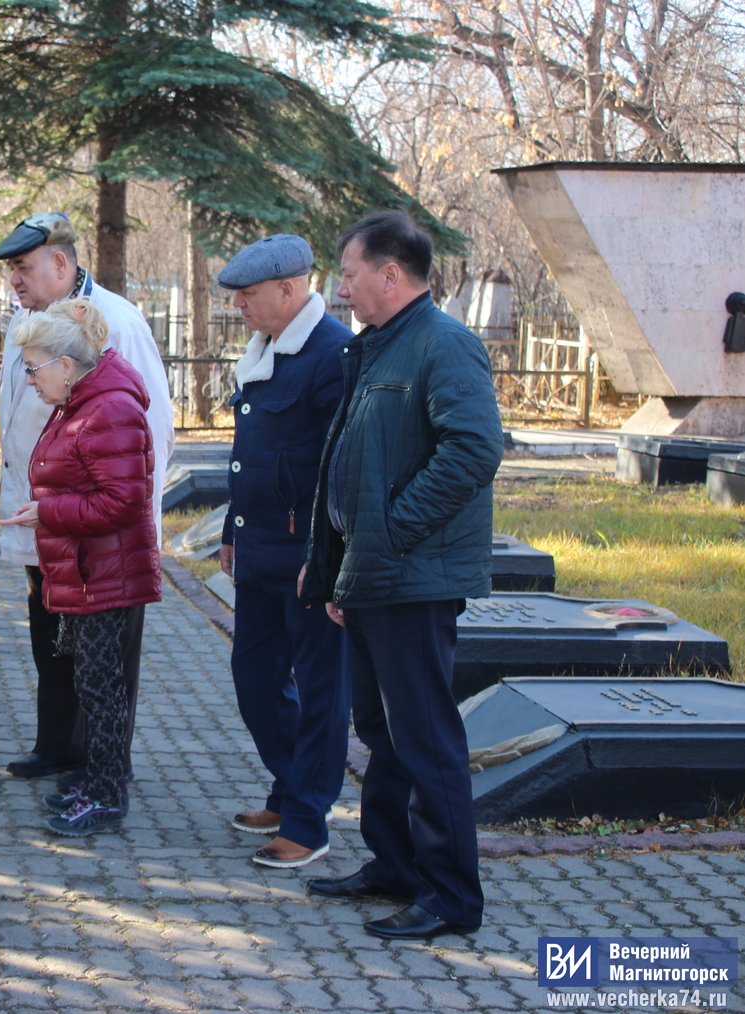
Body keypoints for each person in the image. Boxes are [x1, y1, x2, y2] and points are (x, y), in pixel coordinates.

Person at [299, 210, 503, 940]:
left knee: (424, 738)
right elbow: (351, 462)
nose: (341, 287)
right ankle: (394, 866)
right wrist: (338, 570)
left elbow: (474, 450)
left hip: (413, 576)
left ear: (390, 274)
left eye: (349, 274)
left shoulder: (443, 344)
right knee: (381, 732)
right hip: (376, 572)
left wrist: (386, 534)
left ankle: (450, 898)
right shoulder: (378, 346)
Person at [0, 211, 175, 781]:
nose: (14, 282)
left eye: (23, 268)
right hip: (44, 522)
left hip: (99, 531)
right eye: (11, 272)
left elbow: (154, 427)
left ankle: (102, 765)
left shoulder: (115, 320)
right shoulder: (28, 320)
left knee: (104, 658)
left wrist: (129, 524)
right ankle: (59, 747)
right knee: (53, 640)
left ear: (61, 263)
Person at [0, 298, 161, 836]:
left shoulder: (109, 407)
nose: (29, 380)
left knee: (101, 686)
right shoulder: (80, 402)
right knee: (91, 682)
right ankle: (97, 780)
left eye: (33, 368)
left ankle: (108, 794)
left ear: (65, 365)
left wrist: (48, 511)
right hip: (89, 569)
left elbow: (122, 501)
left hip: (107, 574)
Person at [215, 234, 350, 870]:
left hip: (306, 558)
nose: (239, 305)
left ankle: (307, 820)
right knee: (255, 680)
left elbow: (337, 470)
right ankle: (288, 785)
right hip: (260, 549)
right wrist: (230, 534)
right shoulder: (264, 349)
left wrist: (324, 558)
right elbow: (253, 457)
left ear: (291, 290)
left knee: (320, 691)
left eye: (249, 295)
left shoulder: (331, 355)